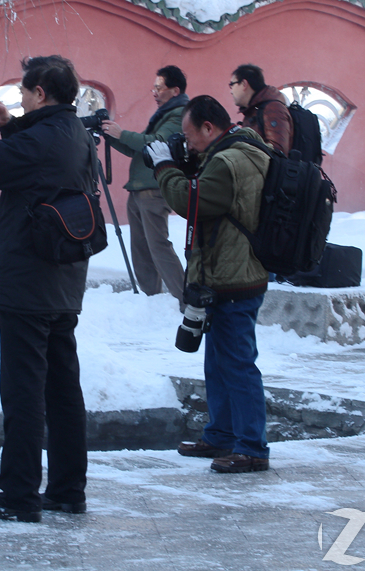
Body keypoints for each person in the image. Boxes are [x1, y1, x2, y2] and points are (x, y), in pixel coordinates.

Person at [0, 56, 92, 522]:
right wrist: (10, 125)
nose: (20, 100)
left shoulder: (43, 139)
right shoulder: (74, 132)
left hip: (29, 283)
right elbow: (39, 164)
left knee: (23, 394)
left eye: (22, 94)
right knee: (62, 391)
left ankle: (18, 498)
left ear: (40, 94)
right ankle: (68, 490)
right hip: (61, 280)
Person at [145, 95, 272, 473]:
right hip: (229, 274)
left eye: (189, 135)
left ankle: (252, 448)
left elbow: (191, 201)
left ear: (208, 128)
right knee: (218, 362)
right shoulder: (242, 150)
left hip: (234, 277)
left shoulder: (228, 161)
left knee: (238, 364)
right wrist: (185, 161)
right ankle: (220, 435)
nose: (187, 143)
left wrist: (165, 166)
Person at [101, 66, 187, 302]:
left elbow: (156, 143)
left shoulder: (178, 114)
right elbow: (137, 149)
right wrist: (110, 134)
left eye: (159, 87)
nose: (154, 92)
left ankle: (185, 298)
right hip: (140, 188)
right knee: (141, 249)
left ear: (175, 90)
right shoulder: (163, 115)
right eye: (154, 88)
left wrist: (121, 134)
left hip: (154, 189)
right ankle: (151, 299)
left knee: (158, 245)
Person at [228, 64, 292, 156]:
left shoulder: (273, 108)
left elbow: (278, 151)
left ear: (244, 84)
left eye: (232, 85)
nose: (231, 91)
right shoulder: (253, 110)